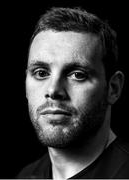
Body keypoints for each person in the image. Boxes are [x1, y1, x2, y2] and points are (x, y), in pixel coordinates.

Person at [18, 7, 129, 179]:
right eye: (41, 73)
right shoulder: (26, 176)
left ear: (113, 88)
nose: (53, 90)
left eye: (77, 75)